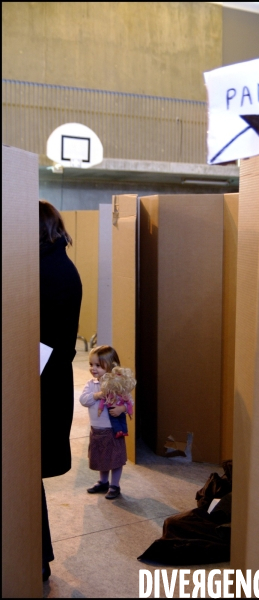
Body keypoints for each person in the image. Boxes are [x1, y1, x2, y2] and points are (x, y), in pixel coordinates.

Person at [39, 200, 82, 582]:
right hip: (50, 380)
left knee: (22, 470)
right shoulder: (60, 264)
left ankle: (35, 559)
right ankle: (38, 558)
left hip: (41, 384)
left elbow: (45, 340)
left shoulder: (46, 270)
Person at [79, 345, 133, 500]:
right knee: (102, 457)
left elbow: (130, 402)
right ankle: (103, 482)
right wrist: (98, 395)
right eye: (91, 364)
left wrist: (121, 408)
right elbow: (83, 400)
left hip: (112, 430)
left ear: (111, 366)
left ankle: (115, 485)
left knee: (115, 459)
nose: (93, 368)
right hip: (97, 430)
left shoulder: (118, 385)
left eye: (98, 365)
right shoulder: (91, 384)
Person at [97, 366, 136, 438]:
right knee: (114, 421)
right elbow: (103, 400)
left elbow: (130, 403)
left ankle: (124, 431)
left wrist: (129, 412)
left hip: (121, 412)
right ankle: (118, 431)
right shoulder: (108, 392)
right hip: (111, 409)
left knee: (123, 420)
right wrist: (100, 408)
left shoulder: (125, 395)